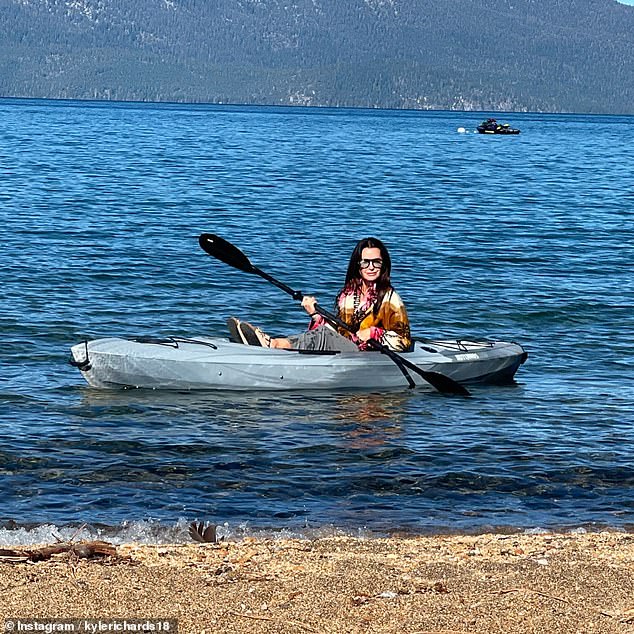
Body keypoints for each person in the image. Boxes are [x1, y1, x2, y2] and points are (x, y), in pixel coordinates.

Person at [227, 237, 412, 353]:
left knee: (323, 334)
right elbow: (339, 332)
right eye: (366, 262)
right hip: (347, 348)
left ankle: (273, 345)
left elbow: (403, 340)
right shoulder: (347, 296)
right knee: (318, 332)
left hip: (369, 355)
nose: (371, 267)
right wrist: (315, 315)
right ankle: (274, 343)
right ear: (358, 265)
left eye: (376, 262)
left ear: (383, 265)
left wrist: (374, 333)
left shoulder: (390, 298)